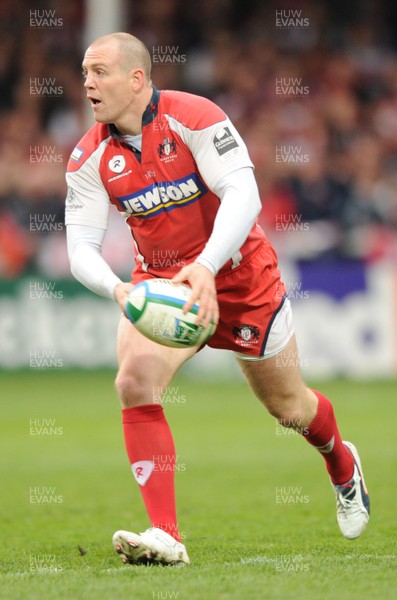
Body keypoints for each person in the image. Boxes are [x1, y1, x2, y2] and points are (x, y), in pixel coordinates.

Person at [65, 32, 370, 566]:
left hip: (241, 279)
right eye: (84, 72)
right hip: (163, 287)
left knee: (289, 409)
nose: (86, 82)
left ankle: (342, 465)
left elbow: (244, 193)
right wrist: (119, 288)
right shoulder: (88, 157)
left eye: (98, 72)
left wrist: (205, 266)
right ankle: (165, 535)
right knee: (134, 381)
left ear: (136, 79)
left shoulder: (195, 116)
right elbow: (80, 246)